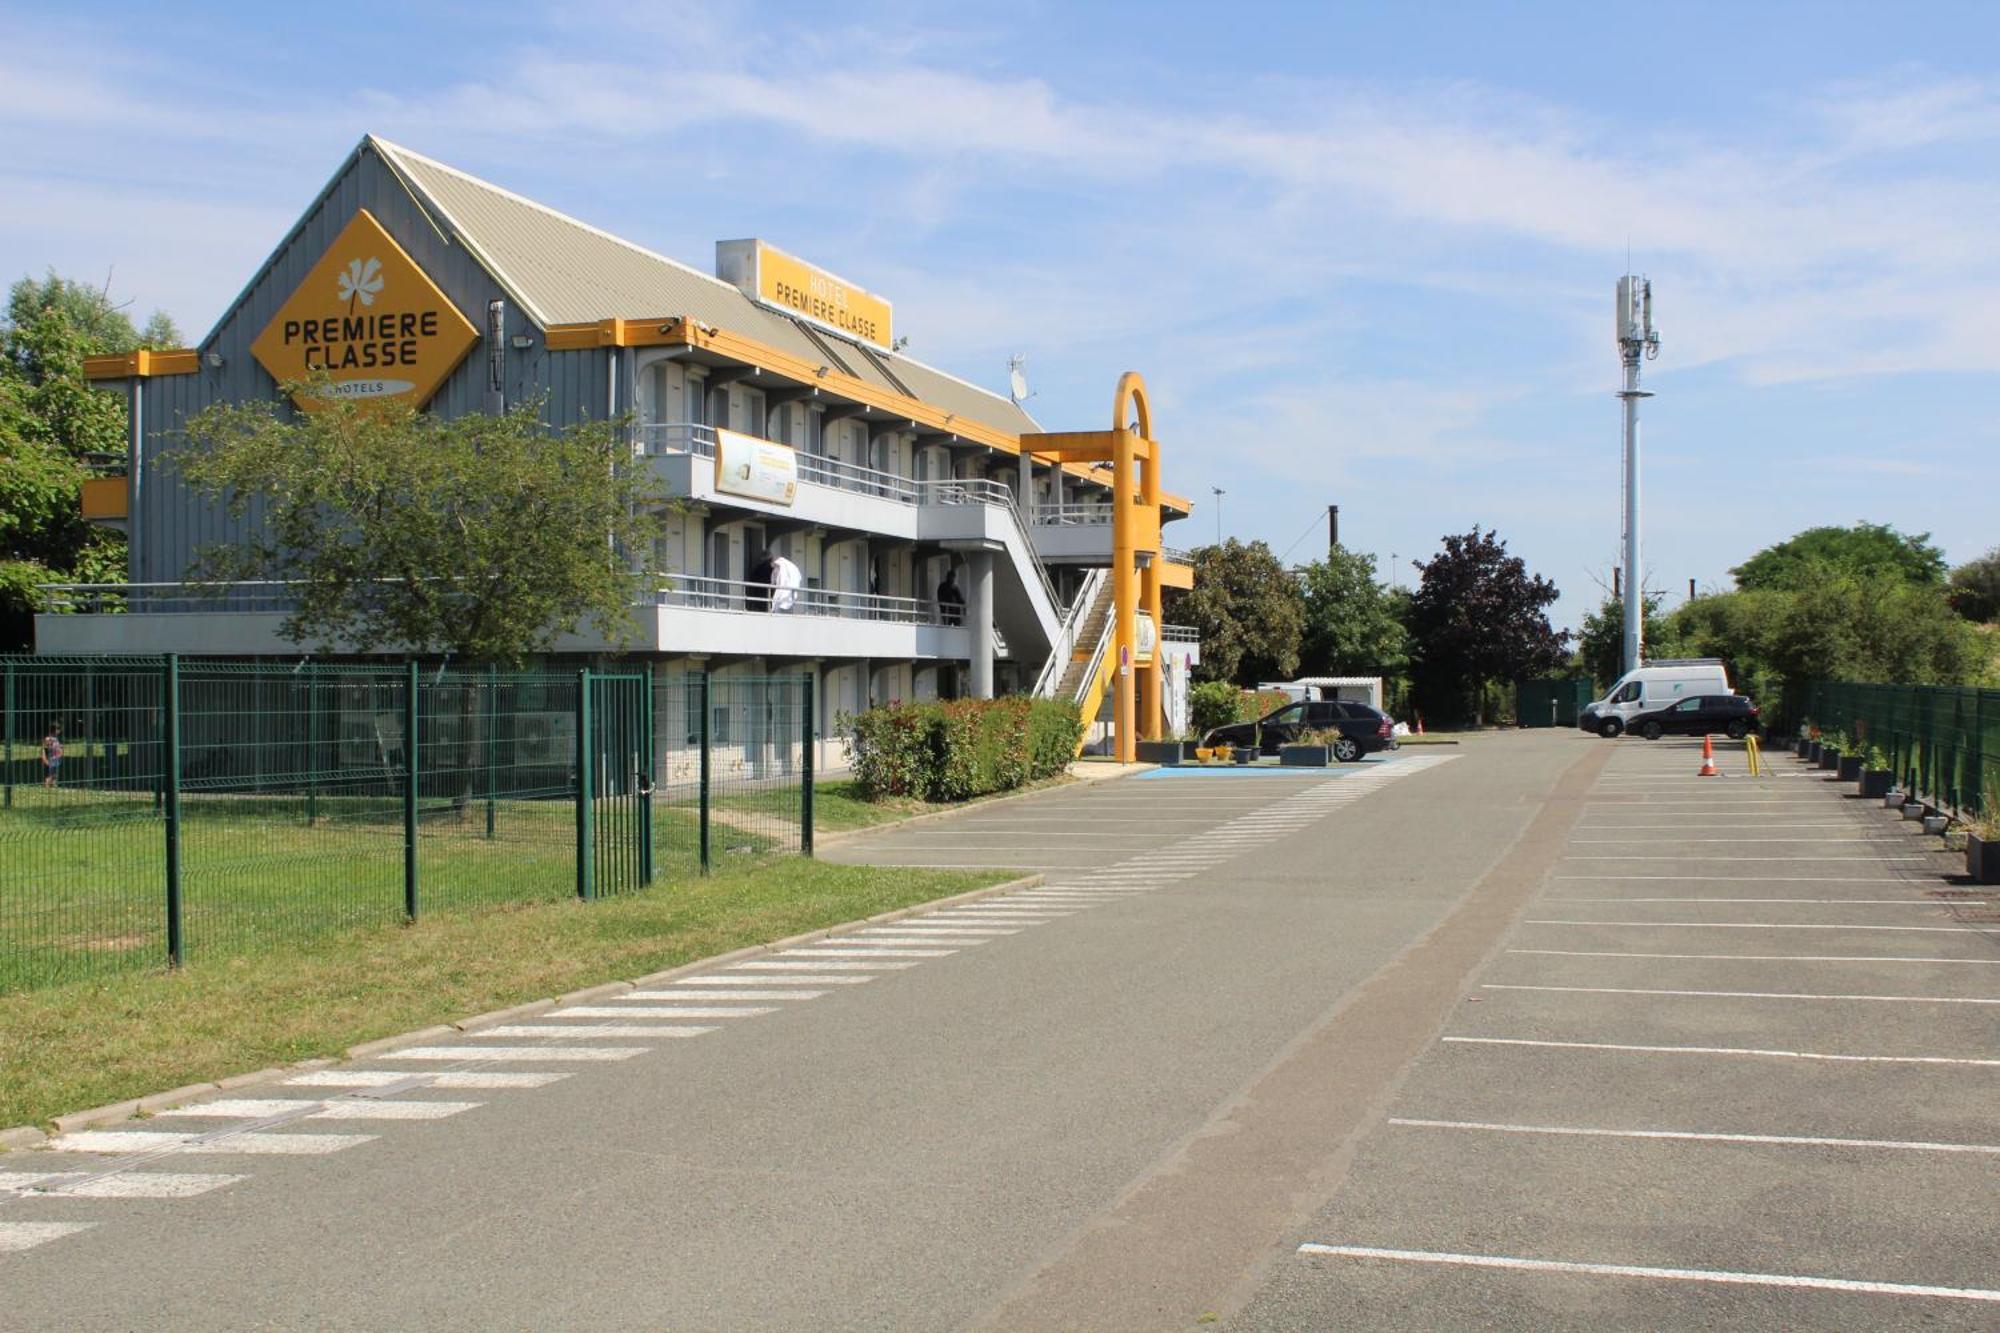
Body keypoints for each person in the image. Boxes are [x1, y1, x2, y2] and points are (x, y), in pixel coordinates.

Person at [41, 722, 62, 789]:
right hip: (50, 759)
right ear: (54, 730)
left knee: (55, 774)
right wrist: (44, 758)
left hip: (56, 758)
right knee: (49, 774)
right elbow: (43, 749)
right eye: (58, 729)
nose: (59, 731)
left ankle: (54, 784)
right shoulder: (48, 739)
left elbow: (57, 747)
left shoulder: (56, 738)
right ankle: (46, 785)